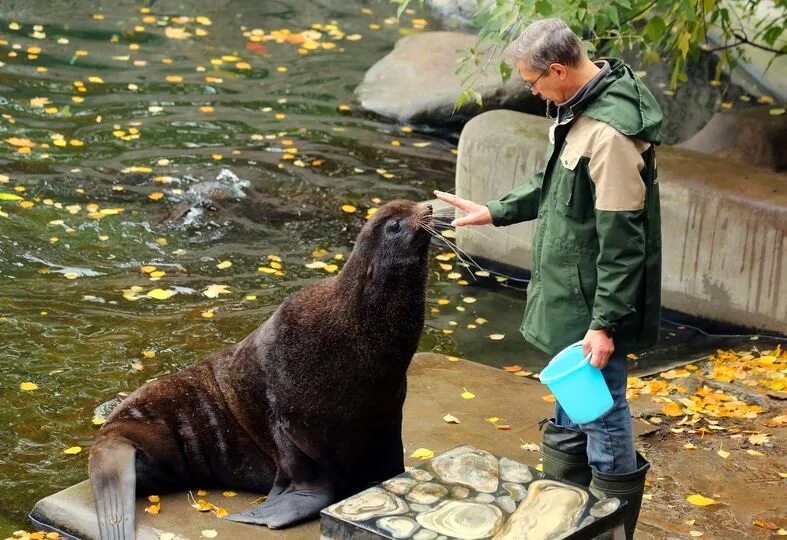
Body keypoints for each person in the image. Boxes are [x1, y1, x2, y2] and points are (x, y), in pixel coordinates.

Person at [434, 17, 662, 539]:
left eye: (533, 82)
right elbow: (552, 182)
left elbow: (624, 243)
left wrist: (605, 324)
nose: (533, 92)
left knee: (601, 412)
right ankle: (565, 514)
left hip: (593, 304)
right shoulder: (579, 109)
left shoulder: (611, 134)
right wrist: (492, 210)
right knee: (570, 405)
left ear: (557, 69)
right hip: (572, 295)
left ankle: (609, 526)